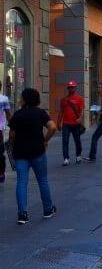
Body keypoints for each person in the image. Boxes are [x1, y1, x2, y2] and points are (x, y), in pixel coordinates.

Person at [8, 88, 57, 224]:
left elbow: (11, 135)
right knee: (42, 181)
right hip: (37, 152)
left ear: (24, 99)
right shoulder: (40, 113)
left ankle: (22, 214)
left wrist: (14, 142)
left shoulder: (17, 115)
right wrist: (45, 140)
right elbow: (53, 127)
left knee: (21, 182)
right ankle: (48, 210)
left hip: (20, 153)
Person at [57, 81, 84, 166]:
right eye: (69, 87)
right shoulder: (63, 100)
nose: (71, 88)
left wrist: (80, 118)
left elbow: (81, 110)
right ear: (67, 88)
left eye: (72, 87)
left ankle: (78, 156)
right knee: (65, 141)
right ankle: (66, 158)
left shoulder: (79, 98)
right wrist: (58, 122)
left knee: (77, 140)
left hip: (75, 123)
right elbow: (61, 112)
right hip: (66, 123)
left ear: (75, 88)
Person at [0, 82, 13, 182]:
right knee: (0, 152)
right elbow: (8, 114)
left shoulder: (4, 99)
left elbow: (8, 114)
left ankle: (1, 172)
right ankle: (1, 172)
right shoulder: (4, 99)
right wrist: (13, 126)